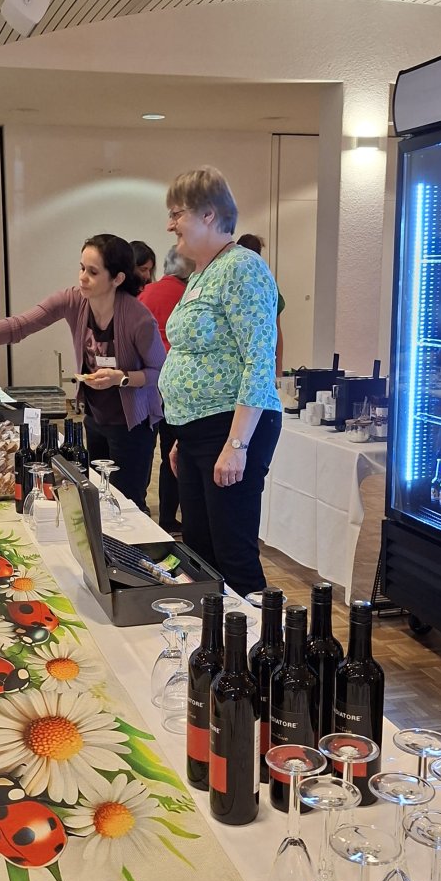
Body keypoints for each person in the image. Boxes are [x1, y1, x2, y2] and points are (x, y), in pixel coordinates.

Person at [0, 233, 165, 511]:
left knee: (128, 504)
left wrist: (122, 378)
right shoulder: (74, 300)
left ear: (117, 278)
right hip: (96, 417)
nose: (82, 277)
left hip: (133, 423)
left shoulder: (137, 317)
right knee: (96, 497)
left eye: (93, 272)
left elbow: (159, 370)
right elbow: (19, 325)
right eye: (81, 268)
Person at [159, 167, 282, 596]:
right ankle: (213, 634)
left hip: (232, 428)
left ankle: (259, 638)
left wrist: (236, 444)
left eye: (177, 213)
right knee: (200, 553)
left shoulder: (242, 267)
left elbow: (259, 360)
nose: (170, 225)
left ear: (209, 214)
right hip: (200, 432)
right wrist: (185, 436)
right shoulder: (201, 273)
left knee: (234, 555)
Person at [139, 245, 195, 534]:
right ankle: (172, 517)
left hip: (150, 383)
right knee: (176, 453)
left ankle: (151, 512)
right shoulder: (190, 294)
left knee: (155, 452)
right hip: (179, 383)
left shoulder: (146, 293)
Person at [236, 233, 285, 376]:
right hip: (261, 356)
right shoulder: (267, 282)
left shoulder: (233, 280)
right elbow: (277, 330)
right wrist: (278, 369)